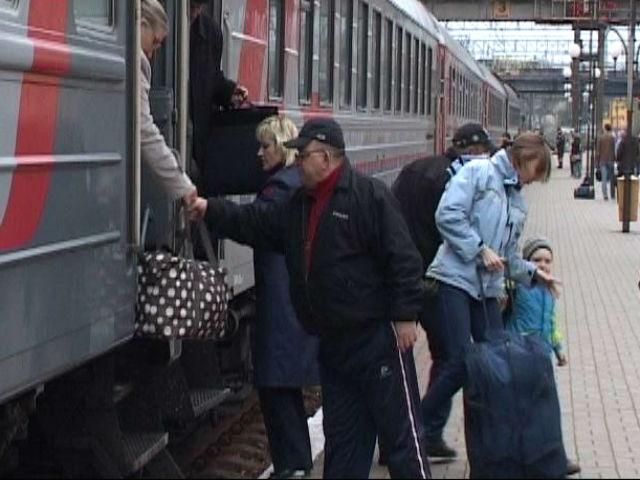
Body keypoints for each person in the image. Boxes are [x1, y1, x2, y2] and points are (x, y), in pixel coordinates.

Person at [203, 118, 430, 479]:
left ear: (325, 158)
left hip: (378, 340)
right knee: (342, 446)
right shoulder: (300, 205)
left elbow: (403, 258)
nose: (296, 162)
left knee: (403, 440)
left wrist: (405, 315)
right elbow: (256, 223)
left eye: (302, 155)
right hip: (335, 347)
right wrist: (210, 210)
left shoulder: (368, 197)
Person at [420, 133, 558, 456]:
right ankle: (417, 423)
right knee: (461, 360)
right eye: (533, 171)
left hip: (487, 289)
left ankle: (492, 442)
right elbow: (447, 215)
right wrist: (479, 250)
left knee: (497, 362)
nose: (532, 180)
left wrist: (535, 274)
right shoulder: (478, 173)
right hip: (454, 278)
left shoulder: (517, 201)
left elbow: (508, 256)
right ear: (521, 157)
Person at [392, 123, 496, 459]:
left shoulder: (414, 170)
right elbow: (454, 228)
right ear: (476, 151)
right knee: (451, 357)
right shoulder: (460, 178)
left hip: (401, 277)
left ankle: (400, 432)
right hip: (437, 282)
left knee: (398, 359)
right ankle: (423, 432)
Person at [252, 116, 320, 479]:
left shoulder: (277, 191)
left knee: (276, 387)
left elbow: (253, 224)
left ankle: (292, 466)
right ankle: (298, 463)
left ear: (281, 147)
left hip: (281, 305)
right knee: (286, 387)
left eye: (265, 146)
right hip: (294, 301)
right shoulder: (297, 185)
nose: (260, 153)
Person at [504, 237, 581, 476]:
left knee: (547, 408)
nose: (544, 265)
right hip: (520, 354)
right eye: (537, 260)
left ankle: (553, 456)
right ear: (527, 263)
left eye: (548, 260)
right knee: (523, 407)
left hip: (543, 356)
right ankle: (518, 454)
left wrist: (558, 349)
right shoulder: (518, 288)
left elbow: (551, 324)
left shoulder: (549, 292)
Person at [140, 0, 205, 220]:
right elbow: (144, 130)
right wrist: (182, 185)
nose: (152, 52)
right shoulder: (136, 63)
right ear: (141, 25)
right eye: (155, 41)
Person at [189, 0, 249, 175]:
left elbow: (211, 77)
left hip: (197, 137)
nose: (195, 12)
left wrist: (228, 92)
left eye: (198, 7)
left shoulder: (212, 33)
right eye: (192, 6)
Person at [596, 124, 616, 200]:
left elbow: (598, 151)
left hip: (602, 160)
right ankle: (612, 194)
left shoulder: (601, 138)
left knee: (604, 178)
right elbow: (614, 149)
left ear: (605, 129)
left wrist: (597, 162)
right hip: (611, 160)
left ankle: (605, 195)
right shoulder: (612, 138)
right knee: (612, 178)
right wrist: (614, 158)